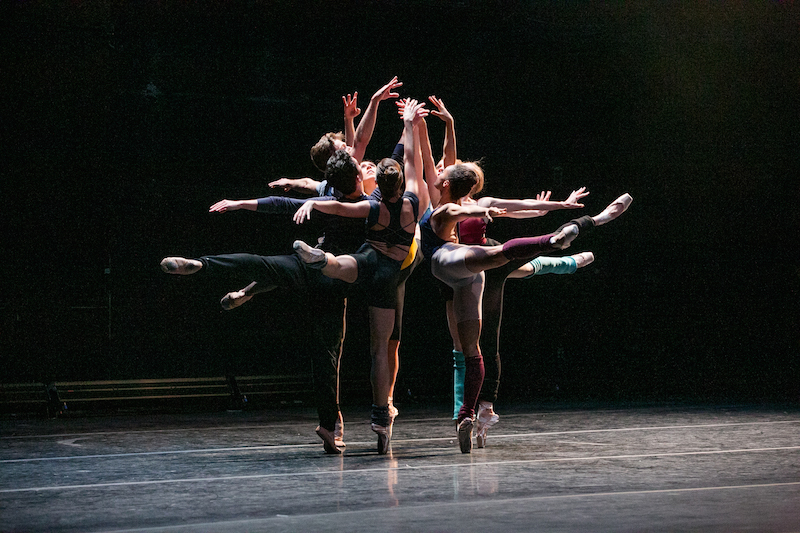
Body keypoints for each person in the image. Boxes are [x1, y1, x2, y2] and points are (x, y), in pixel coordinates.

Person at [161, 150, 370, 455]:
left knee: (263, 264)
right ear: (357, 177)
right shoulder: (367, 204)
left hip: (307, 264)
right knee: (326, 355)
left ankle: (203, 265)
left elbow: (283, 204)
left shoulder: (328, 200)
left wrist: (240, 203)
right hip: (334, 279)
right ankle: (329, 425)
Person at [419, 161, 632, 453]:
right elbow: (454, 188)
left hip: (475, 262)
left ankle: (470, 413)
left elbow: (515, 205)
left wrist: (558, 205)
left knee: (481, 343)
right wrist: (444, 123)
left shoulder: (465, 203)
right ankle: (571, 249)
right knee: (535, 267)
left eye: (444, 168)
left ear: (449, 182)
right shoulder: (449, 203)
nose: (440, 168)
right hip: (475, 266)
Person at [290, 99, 430, 454]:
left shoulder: (371, 200)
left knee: (348, 268)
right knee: (381, 347)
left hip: (375, 262)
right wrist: (413, 123)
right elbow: (410, 159)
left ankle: (324, 260)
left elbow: (339, 200)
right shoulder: (413, 198)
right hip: (396, 268)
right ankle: (381, 415)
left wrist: (312, 202)